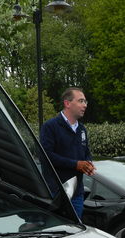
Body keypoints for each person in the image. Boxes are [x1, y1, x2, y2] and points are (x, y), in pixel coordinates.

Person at [40, 87, 95, 219]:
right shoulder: (50, 126)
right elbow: (46, 156)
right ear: (67, 103)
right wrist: (75, 165)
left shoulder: (82, 129)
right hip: (56, 192)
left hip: (77, 194)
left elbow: (86, 152)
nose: (85, 105)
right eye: (81, 101)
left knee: (75, 231)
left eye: (85, 102)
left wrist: (89, 163)